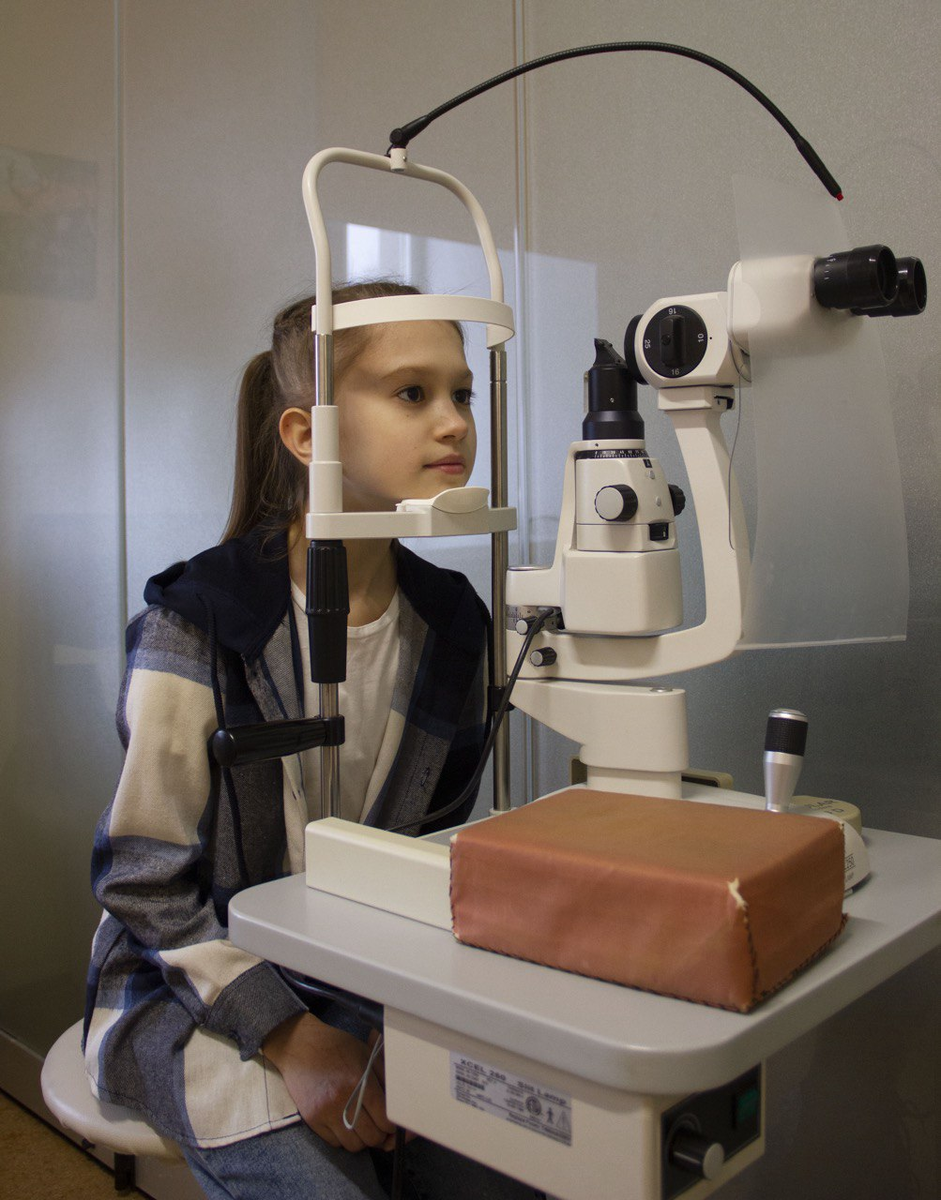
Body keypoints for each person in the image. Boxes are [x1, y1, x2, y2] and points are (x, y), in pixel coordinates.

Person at [84, 281, 534, 1199]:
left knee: (517, 1166)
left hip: (367, 980)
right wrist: (293, 1037)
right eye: (411, 393)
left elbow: (430, 849)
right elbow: (143, 881)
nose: (453, 422)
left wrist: (402, 1023)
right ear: (304, 434)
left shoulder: (453, 625)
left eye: (462, 392)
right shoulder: (196, 624)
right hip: (188, 983)